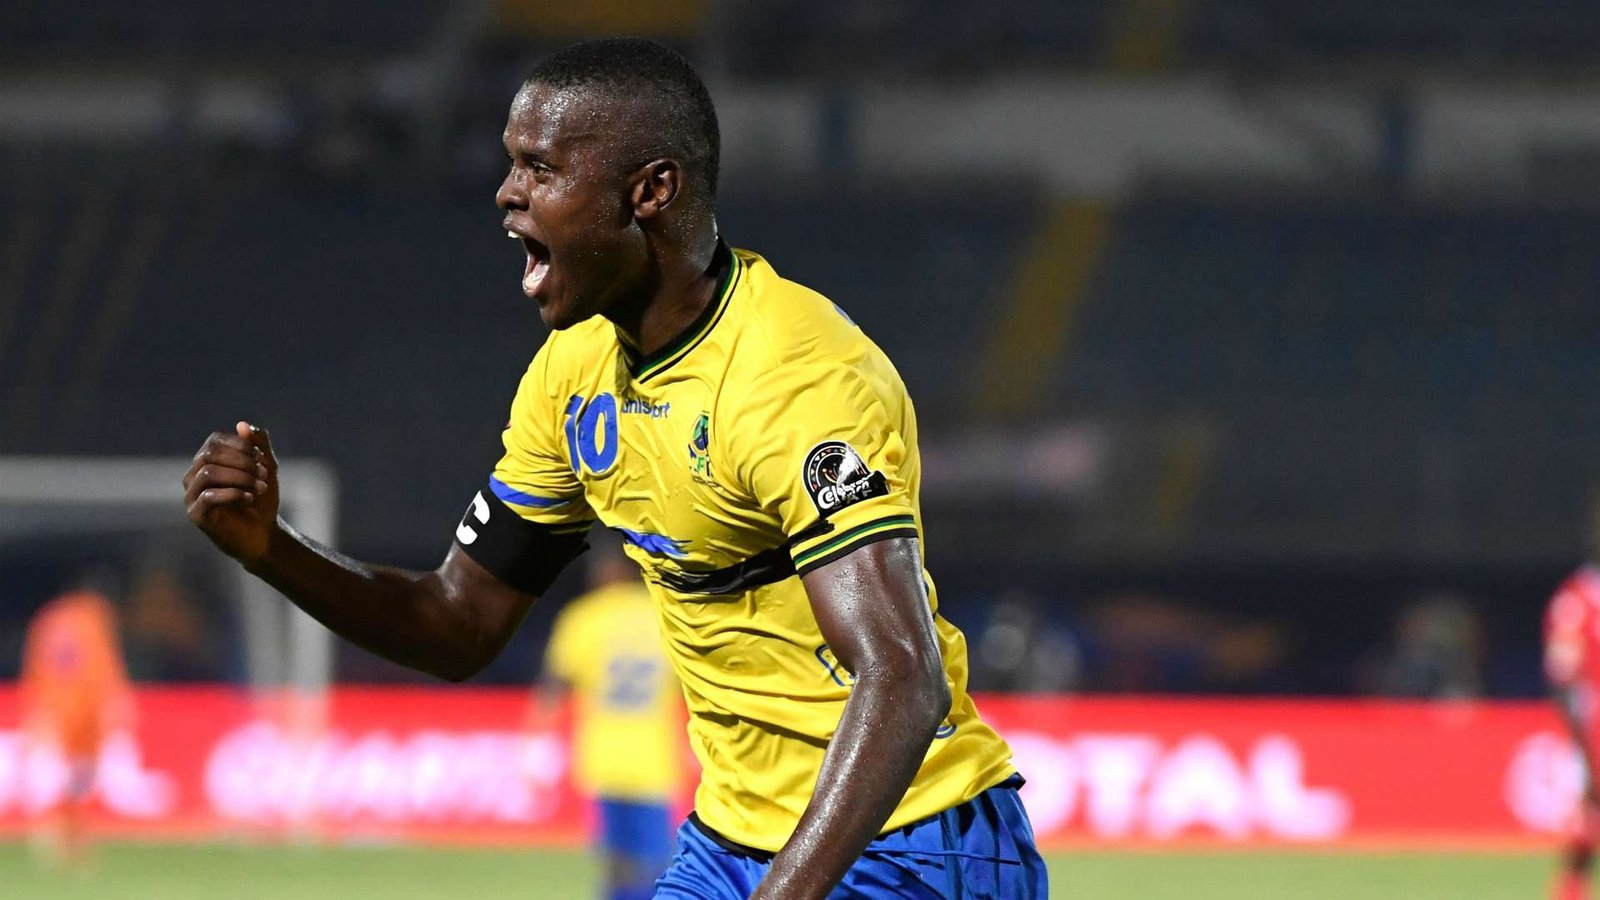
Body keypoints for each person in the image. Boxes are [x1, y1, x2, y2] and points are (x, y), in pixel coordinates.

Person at [183, 37, 1045, 898]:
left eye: (540, 167)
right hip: (735, 839)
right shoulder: (574, 373)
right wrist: (271, 549)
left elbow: (903, 675)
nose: (507, 192)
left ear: (651, 192)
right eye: (511, 163)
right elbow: (457, 622)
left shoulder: (796, 377)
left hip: (916, 840)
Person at [532, 535, 683, 899]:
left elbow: (554, 686)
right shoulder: (663, 615)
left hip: (604, 759)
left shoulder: (584, 616)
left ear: (603, 572)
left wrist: (536, 743)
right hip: (652, 760)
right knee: (658, 863)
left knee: (616, 863)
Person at [19, 588, 133, 868]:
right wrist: (114, 701)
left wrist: (38, 707)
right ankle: (65, 839)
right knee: (73, 780)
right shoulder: (92, 624)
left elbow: (36, 670)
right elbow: (103, 671)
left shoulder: (48, 621)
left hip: (56, 710)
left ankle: (60, 838)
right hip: (80, 715)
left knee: (64, 780)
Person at [1546, 562, 1600, 900]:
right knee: (1590, 804)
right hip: (1592, 717)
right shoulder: (1578, 597)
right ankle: (1571, 890)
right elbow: (1562, 671)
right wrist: (1579, 738)